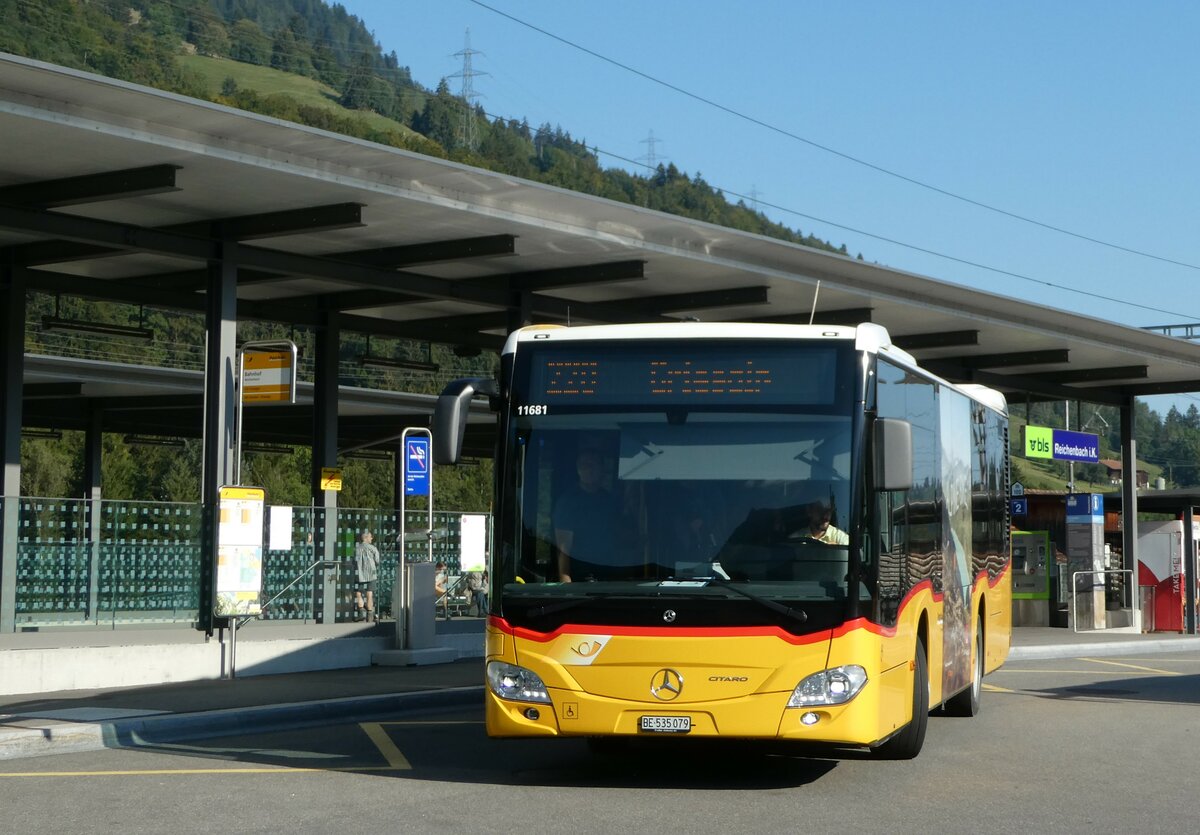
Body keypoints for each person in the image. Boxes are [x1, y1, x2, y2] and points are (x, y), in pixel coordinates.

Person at [554, 445, 622, 582]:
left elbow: (619, 536)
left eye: (593, 465)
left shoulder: (609, 501)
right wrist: (565, 580)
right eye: (583, 465)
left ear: (602, 469)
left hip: (610, 574)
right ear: (577, 470)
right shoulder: (568, 503)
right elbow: (563, 548)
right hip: (580, 575)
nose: (588, 469)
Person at [353, 530, 380, 622]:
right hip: (371, 574)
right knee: (369, 594)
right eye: (370, 536)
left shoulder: (356, 548)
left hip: (359, 574)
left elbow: (354, 561)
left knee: (358, 593)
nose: (372, 538)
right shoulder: (373, 548)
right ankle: (370, 615)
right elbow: (377, 561)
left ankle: (360, 614)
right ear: (366, 537)